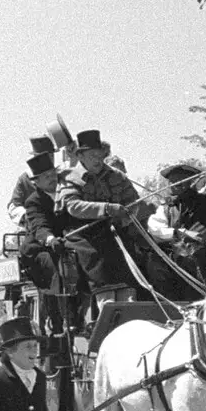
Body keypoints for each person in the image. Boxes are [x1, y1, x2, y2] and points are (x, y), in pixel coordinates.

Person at [56, 128, 148, 313]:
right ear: (81, 155)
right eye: (92, 156)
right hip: (84, 236)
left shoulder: (116, 176)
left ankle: (130, 314)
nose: (98, 161)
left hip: (117, 231)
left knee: (129, 279)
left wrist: (127, 214)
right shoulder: (69, 178)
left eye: (100, 156)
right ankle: (106, 316)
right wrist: (106, 209)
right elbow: (73, 206)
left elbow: (133, 200)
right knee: (104, 280)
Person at [146, 163, 206, 300]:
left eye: (183, 181)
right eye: (174, 182)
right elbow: (154, 229)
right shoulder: (166, 208)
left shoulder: (203, 200)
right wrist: (181, 232)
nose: (178, 185)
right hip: (182, 260)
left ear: (191, 182)